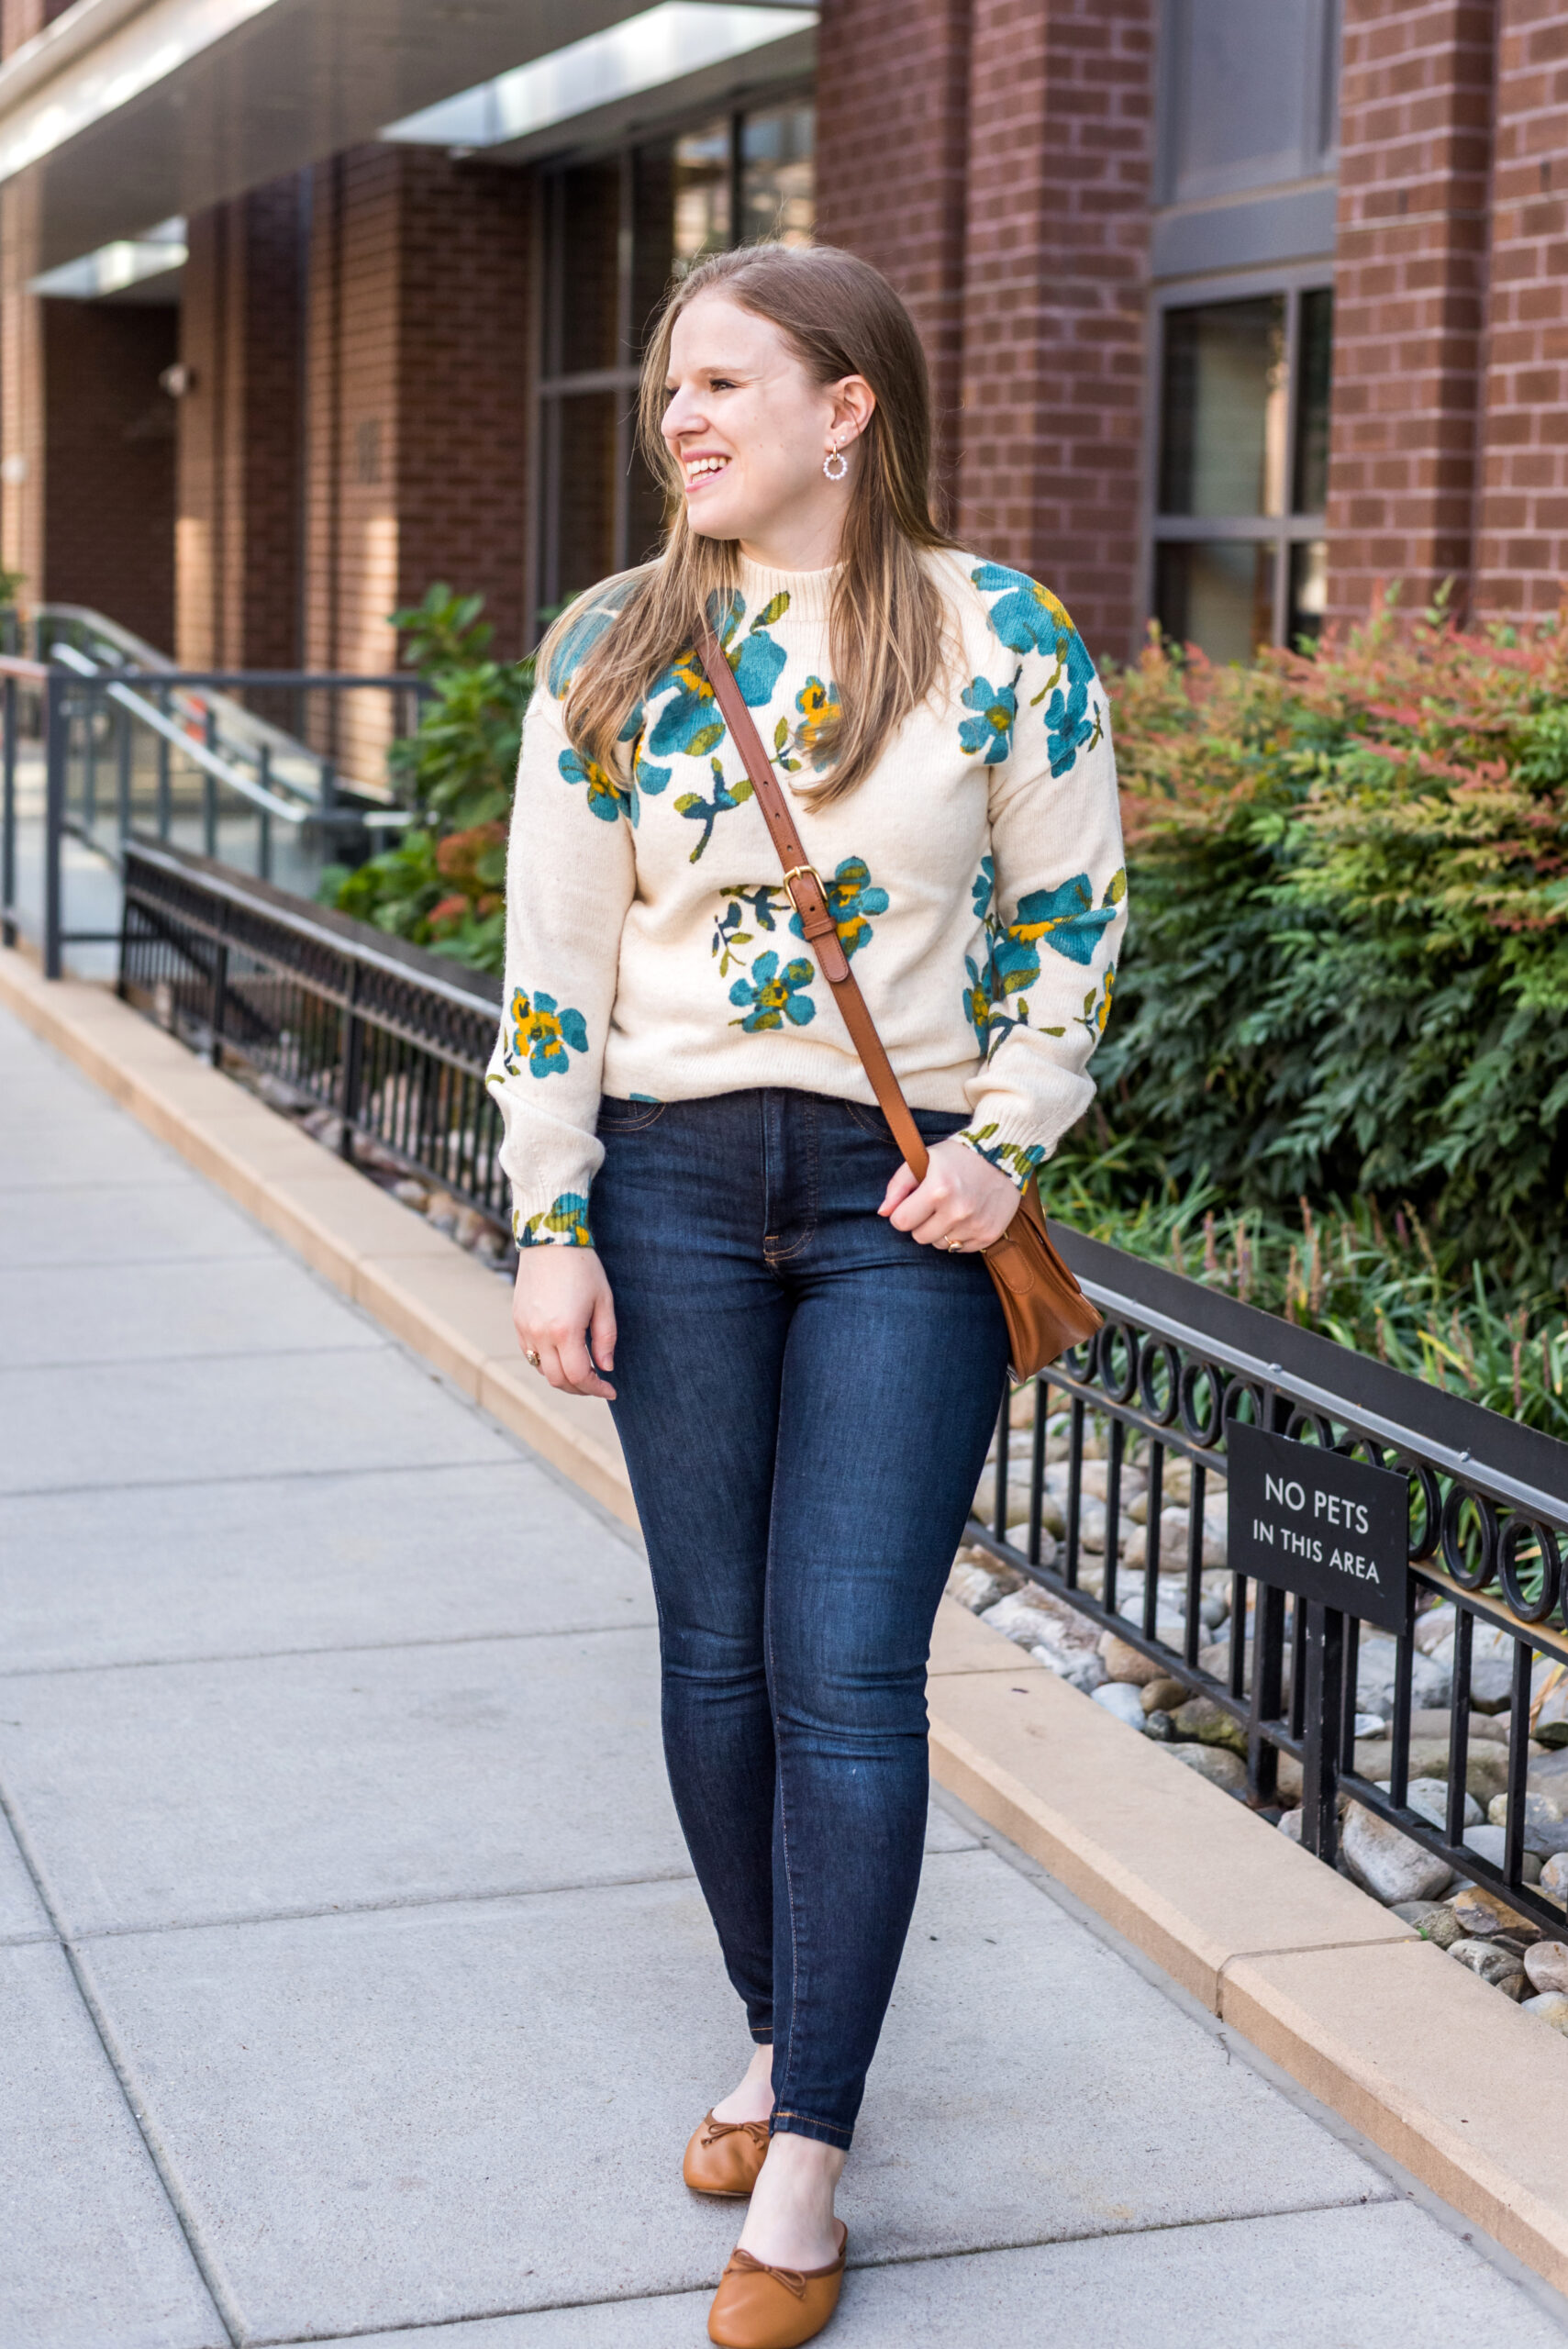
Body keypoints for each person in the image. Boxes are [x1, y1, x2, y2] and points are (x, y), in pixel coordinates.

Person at [489, 240, 1124, 2348]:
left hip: (898, 1207)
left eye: (725, 383)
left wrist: (1006, 1138)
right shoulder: (614, 644)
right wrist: (551, 1214)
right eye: (670, 387)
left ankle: (816, 2148)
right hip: (669, 1189)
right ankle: (778, 2032)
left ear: (847, 405)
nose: (682, 418)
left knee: (845, 1667)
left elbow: (1072, 918)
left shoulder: (1001, 635)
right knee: (712, 1655)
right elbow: (552, 964)